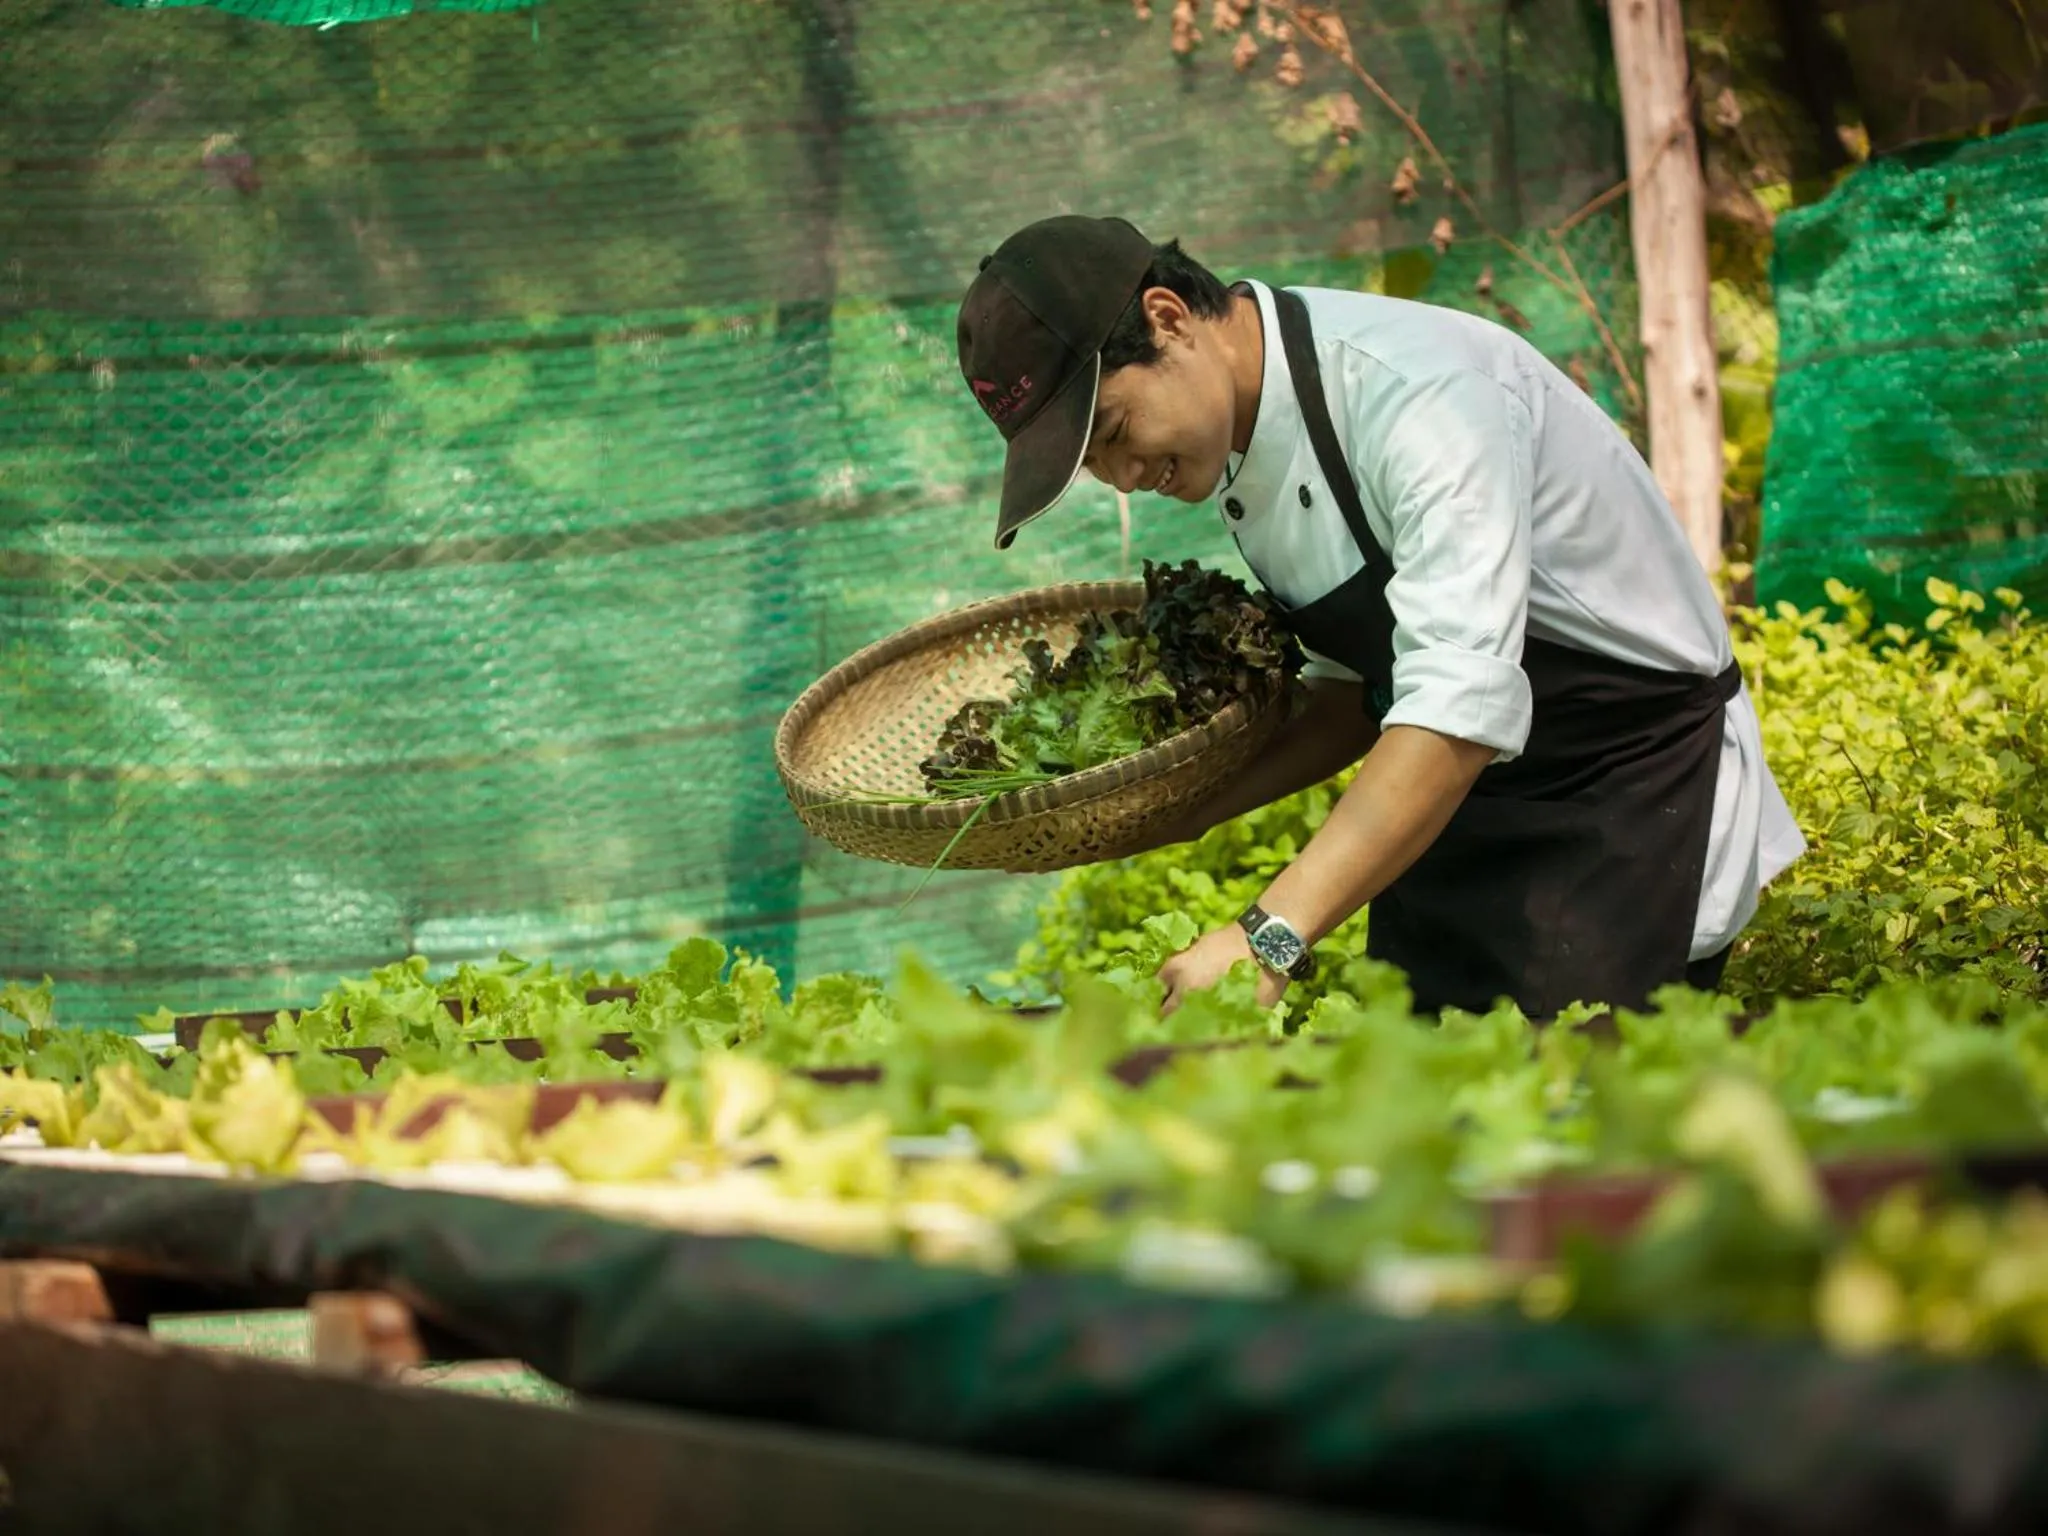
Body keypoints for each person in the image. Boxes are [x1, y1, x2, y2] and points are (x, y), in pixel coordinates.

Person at [953, 214, 1805, 1020]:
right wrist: (1158, 813)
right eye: (1094, 464)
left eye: (1112, 431)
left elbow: (1456, 712)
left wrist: (1266, 939)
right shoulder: (1244, 434)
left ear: (1169, 319)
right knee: (1422, 1094)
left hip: (1625, 789)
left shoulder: (1419, 397)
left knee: (1578, 1107)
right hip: (1459, 806)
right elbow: (1357, 691)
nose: (1124, 478)